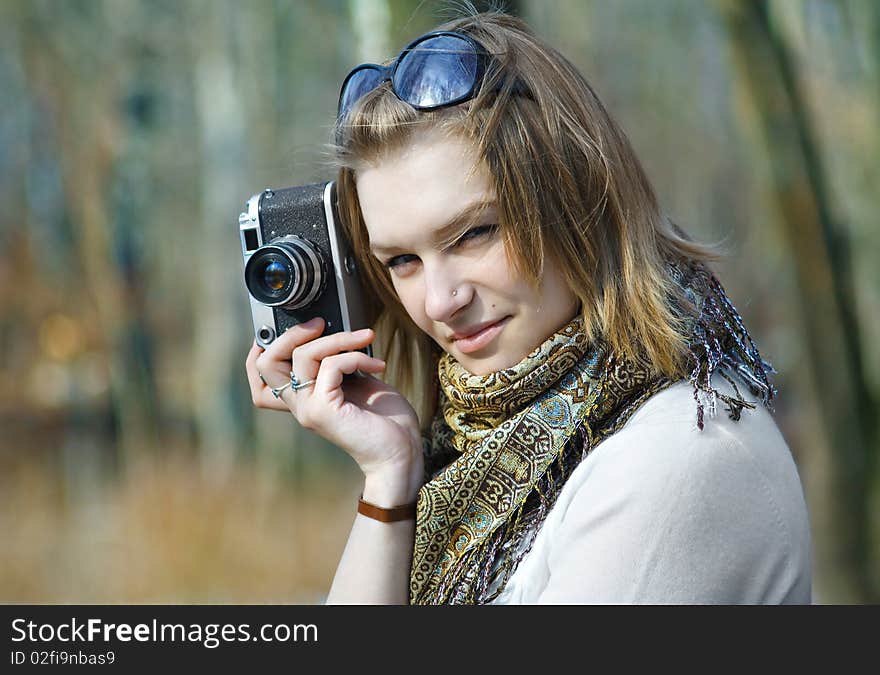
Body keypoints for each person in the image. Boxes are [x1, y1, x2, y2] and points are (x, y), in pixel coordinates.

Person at [245, 10, 812, 604]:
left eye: (474, 233)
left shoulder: (678, 456)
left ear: (578, 196)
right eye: (401, 261)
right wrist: (389, 479)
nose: (441, 301)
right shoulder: (472, 455)